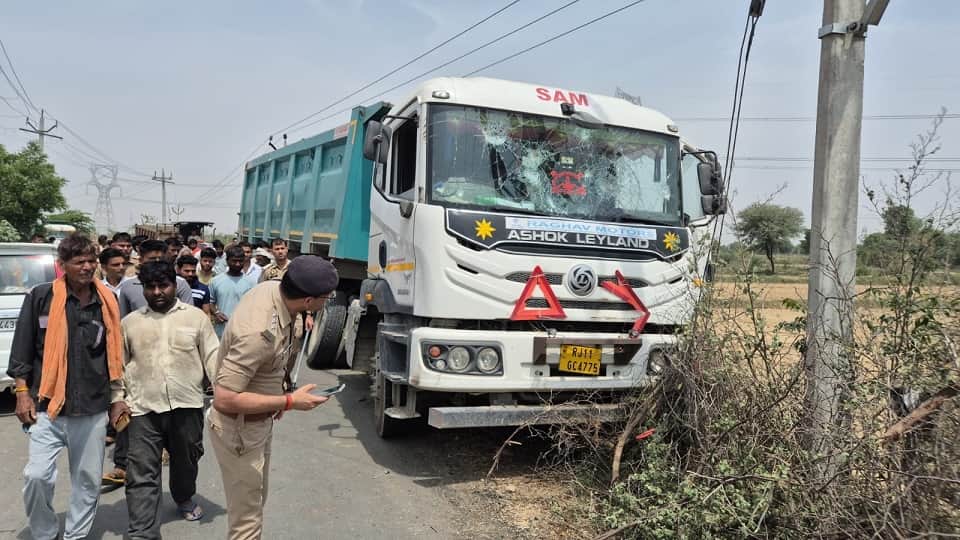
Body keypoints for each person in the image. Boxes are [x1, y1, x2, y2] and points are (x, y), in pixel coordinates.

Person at [7, 233, 129, 540]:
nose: (87, 267)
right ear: (62, 265)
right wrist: (21, 393)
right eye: (79, 262)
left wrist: (117, 398)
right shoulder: (41, 297)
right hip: (47, 405)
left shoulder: (106, 301)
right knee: (37, 476)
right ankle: (45, 533)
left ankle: (76, 534)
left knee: (87, 480)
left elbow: (114, 356)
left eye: (91, 261)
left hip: (92, 406)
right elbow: (22, 349)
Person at [209, 255, 337, 539]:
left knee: (255, 503)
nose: (326, 302)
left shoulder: (274, 290)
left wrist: (279, 392)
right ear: (308, 300)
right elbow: (224, 398)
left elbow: (271, 363)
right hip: (240, 430)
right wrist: (289, 402)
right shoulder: (258, 333)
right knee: (247, 522)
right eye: (326, 298)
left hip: (255, 423)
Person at [120, 261, 219, 536]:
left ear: (175, 286)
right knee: (141, 472)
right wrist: (117, 399)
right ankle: (143, 532)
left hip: (187, 405)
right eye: (150, 287)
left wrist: (223, 393)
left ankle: (183, 496)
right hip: (142, 408)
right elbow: (118, 366)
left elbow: (213, 356)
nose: (157, 292)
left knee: (187, 460)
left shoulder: (196, 318)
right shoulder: (130, 323)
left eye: (163, 285)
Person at [106, 240, 194, 487]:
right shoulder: (128, 288)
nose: (156, 292)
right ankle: (122, 465)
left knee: (177, 431)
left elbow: (188, 321)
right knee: (131, 415)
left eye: (159, 258)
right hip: (139, 364)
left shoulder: (180, 284)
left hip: (174, 365)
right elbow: (121, 326)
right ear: (140, 258)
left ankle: (179, 482)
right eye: (150, 258)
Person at [208, 246, 254, 339]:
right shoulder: (216, 281)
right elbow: (210, 302)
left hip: (243, 332)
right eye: (234, 261)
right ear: (227, 261)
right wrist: (216, 313)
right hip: (221, 331)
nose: (237, 264)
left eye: (240, 261)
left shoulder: (251, 282)